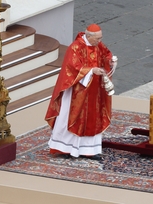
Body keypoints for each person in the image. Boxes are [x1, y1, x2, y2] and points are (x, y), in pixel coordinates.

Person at [45, 24, 116, 159]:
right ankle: (65, 147)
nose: (100, 41)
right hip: (77, 91)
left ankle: (90, 150)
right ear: (88, 36)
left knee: (94, 117)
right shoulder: (76, 47)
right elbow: (72, 68)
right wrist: (91, 71)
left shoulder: (97, 44)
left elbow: (106, 54)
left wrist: (110, 61)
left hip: (94, 90)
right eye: (97, 38)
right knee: (74, 117)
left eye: (100, 38)